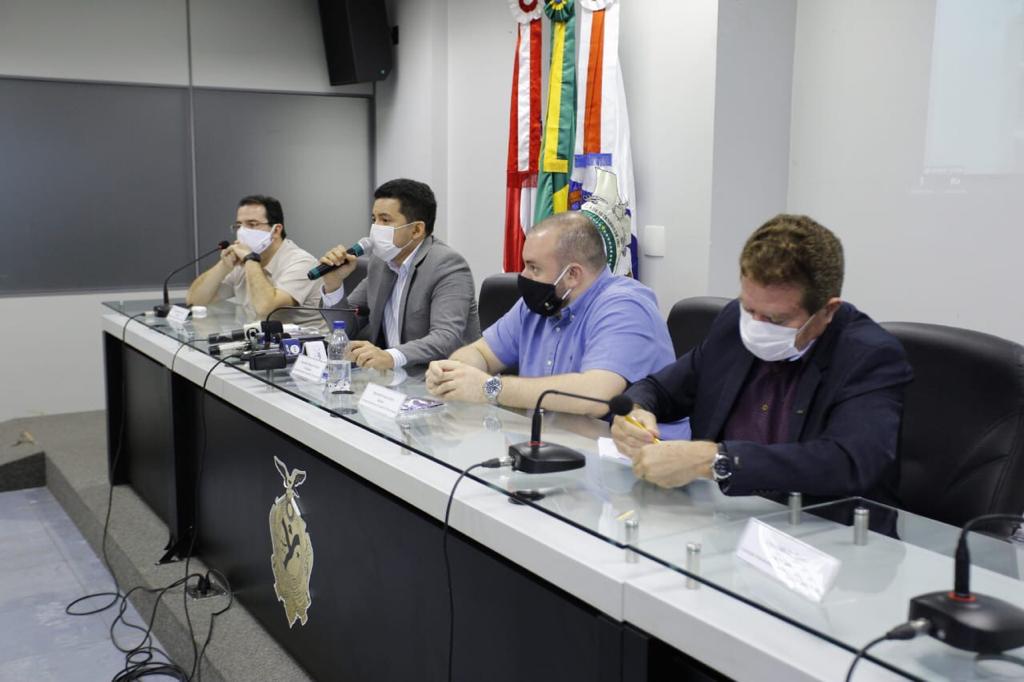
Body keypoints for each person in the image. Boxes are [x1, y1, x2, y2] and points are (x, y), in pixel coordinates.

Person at [612, 214, 913, 502]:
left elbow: (848, 461)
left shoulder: (869, 356)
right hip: (722, 515)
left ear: (828, 310)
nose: (755, 325)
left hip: (821, 526)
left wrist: (714, 460)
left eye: (775, 319)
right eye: (748, 307)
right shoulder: (733, 322)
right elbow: (661, 389)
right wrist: (635, 412)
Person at [426, 211, 676, 417]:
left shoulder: (625, 307)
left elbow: (596, 396)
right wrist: (453, 373)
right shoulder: (541, 304)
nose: (523, 276)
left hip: (628, 451)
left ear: (572, 275)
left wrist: (489, 387)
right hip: (552, 440)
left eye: (534, 268)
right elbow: (481, 353)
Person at [318, 178, 480, 370]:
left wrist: (390, 356)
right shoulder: (380, 262)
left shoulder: (447, 265)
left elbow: (446, 338)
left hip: (442, 377)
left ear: (417, 230)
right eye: (374, 219)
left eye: (385, 220)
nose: (376, 228)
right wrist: (333, 284)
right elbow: (346, 329)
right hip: (394, 378)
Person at [186, 195, 321, 326]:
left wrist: (250, 259)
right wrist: (224, 266)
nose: (242, 231)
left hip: (302, 340)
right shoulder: (242, 261)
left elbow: (265, 309)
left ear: (276, 230)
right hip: (259, 338)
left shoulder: (302, 262)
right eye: (239, 225)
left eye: (252, 224)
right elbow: (195, 301)